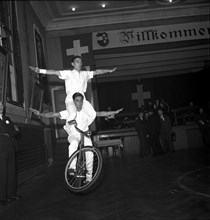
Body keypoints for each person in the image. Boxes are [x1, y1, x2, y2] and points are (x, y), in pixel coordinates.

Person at [30, 93, 122, 182]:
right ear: (73, 102)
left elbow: (100, 113)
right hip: (74, 134)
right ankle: (72, 168)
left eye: (81, 100)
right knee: (73, 144)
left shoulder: (87, 112)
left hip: (85, 134)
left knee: (89, 152)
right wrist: (40, 114)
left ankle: (89, 177)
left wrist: (114, 112)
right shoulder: (69, 112)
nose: (80, 103)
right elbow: (54, 114)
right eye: (77, 101)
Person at [29, 55, 117, 129]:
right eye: (77, 61)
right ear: (73, 64)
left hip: (82, 99)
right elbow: (55, 72)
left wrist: (108, 71)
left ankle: (82, 128)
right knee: (73, 114)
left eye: (80, 61)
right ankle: (68, 127)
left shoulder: (85, 74)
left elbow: (97, 72)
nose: (80, 63)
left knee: (93, 114)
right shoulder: (68, 73)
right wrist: (40, 70)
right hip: (71, 99)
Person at [0, 102, 21, 206]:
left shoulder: (6, 118)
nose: (0, 108)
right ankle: (2, 197)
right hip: (1, 148)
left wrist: (8, 133)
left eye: (1, 106)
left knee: (11, 170)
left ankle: (11, 194)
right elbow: (11, 130)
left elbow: (16, 130)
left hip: (10, 146)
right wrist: (9, 132)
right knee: (2, 171)